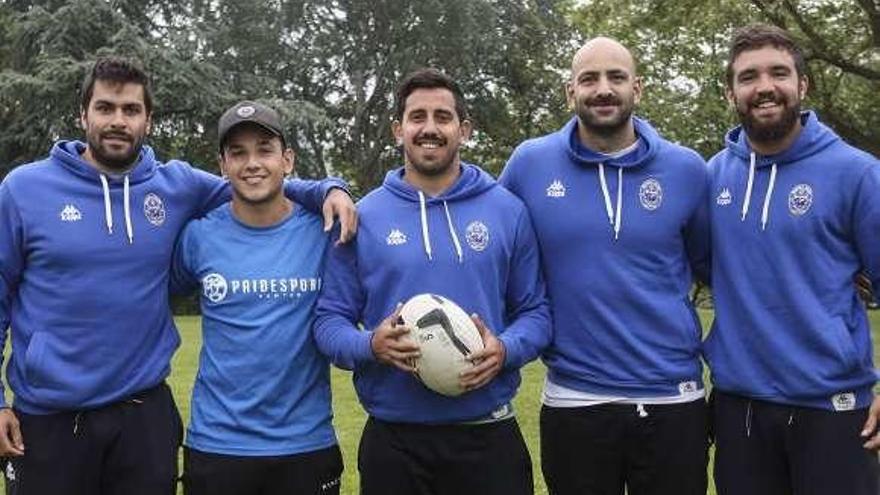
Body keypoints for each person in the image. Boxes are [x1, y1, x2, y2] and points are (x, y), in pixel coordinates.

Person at [0, 57, 355, 494]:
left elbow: (256, 185)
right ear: (83, 114)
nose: (117, 121)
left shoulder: (177, 185)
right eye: (105, 108)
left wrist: (329, 189)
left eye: (130, 110)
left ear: (148, 120)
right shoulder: (23, 189)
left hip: (142, 416)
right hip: (50, 418)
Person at [313, 68, 551, 495]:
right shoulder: (362, 217)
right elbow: (329, 322)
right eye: (417, 116)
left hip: (489, 437)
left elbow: (536, 312)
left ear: (464, 129)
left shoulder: (507, 210)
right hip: (395, 443)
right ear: (397, 130)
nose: (429, 128)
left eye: (442, 117)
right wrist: (372, 346)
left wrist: (505, 349)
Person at [500, 37, 710, 495]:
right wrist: (326, 188)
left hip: (673, 398)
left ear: (639, 88)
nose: (603, 89)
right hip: (575, 400)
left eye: (616, 77)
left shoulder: (688, 170)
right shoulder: (529, 164)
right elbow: (485, 231)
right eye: (589, 78)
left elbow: (725, 269)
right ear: (569, 92)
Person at [704, 24, 880, 495]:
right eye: (748, 76)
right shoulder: (711, 178)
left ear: (802, 85)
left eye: (778, 73)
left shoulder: (859, 174)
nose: (764, 87)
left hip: (834, 409)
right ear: (731, 92)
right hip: (738, 410)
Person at [172, 101, 342, 495]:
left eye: (264, 149)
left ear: (287, 160)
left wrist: (334, 186)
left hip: (306, 444)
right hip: (217, 445)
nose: (252, 163)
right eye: (238, 153)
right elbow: (150, 297)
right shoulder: (198, 236)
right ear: (222, 165)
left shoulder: (323, 230)